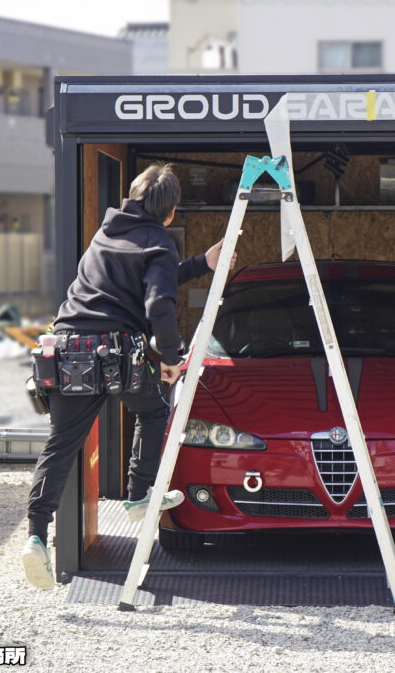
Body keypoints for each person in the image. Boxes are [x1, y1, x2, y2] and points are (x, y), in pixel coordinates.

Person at [21, 162, 235, 590]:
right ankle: (139, 495)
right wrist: (171, 357)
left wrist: (200, 263)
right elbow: (157, 302)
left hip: (66, 349)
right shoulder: (158, 241)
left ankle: (35, 537)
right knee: (154, 411)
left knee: (61, 446)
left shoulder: (106, 234)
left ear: (133, 197)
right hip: (115, 352)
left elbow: (142, 279)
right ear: (170, 212)